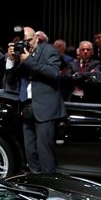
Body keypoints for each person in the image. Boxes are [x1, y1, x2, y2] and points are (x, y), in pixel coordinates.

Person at [11, 27, 65, 174]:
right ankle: (36, 183)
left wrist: (28, 60)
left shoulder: (49, 51)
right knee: (30, 150)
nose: (27, 44)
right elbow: (11, 80)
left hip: (45, 107)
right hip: (27, 107)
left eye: (29, 40)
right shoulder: (21, 54)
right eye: (24, 41)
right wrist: (11, 61)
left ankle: (49, 185)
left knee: (44, 151)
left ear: (37, 38)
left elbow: (54, 73)